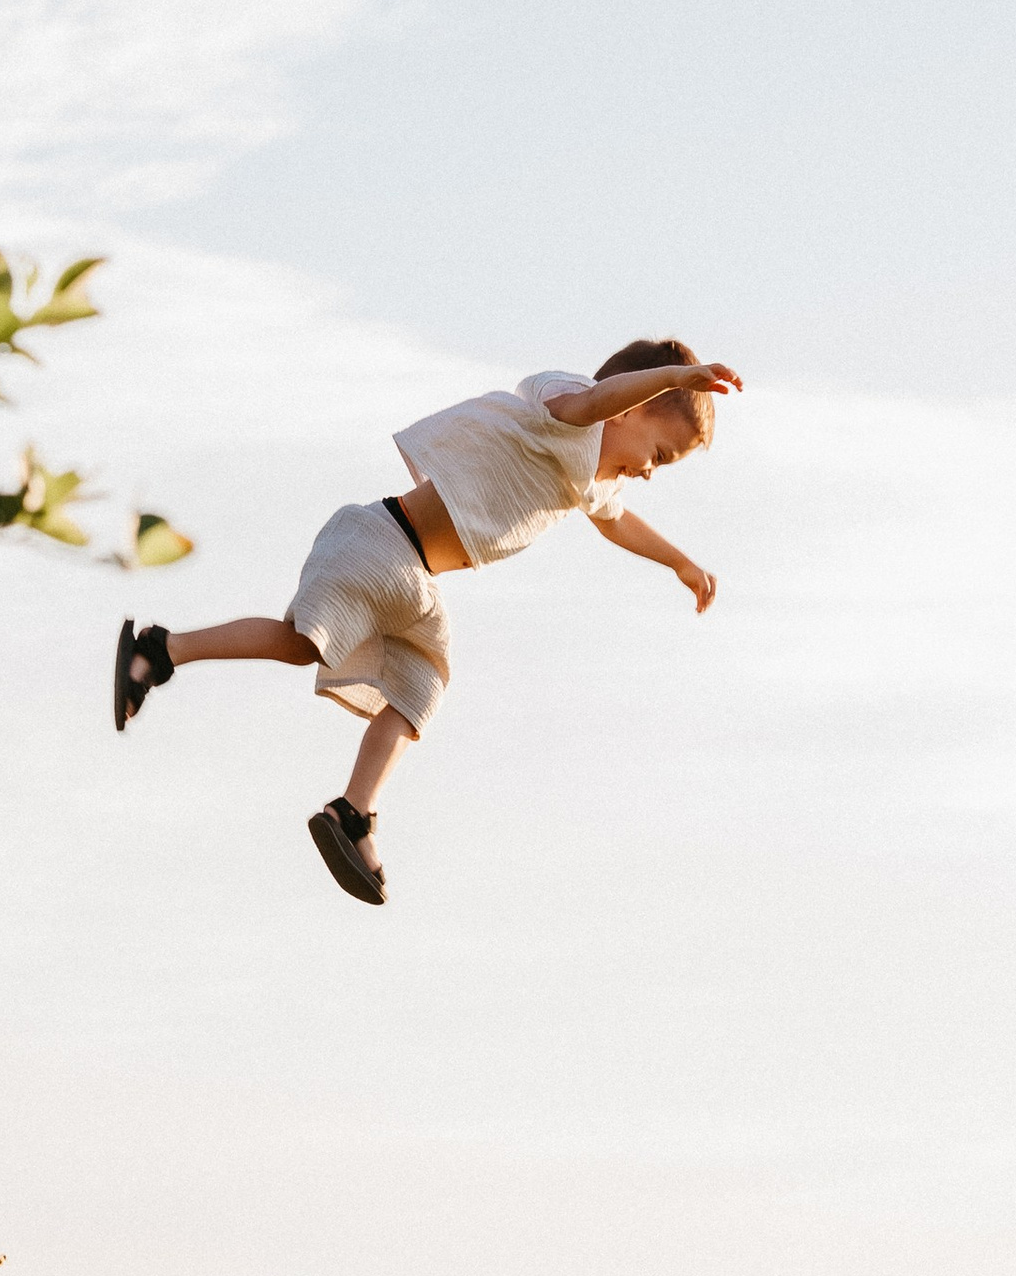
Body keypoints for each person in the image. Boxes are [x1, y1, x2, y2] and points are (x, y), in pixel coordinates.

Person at [112, 340, 739, 906]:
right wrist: (679, 375)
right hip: (383, 541)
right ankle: (158, 651)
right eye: (658, 451)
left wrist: (680, 562)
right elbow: (601, 398)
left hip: (412, 581)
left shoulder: (589, 480)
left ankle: (353, 812)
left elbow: (617, 522)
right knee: (303, 641)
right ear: (632, 407)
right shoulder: (568, 413)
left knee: (421, 688)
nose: (651, 470)